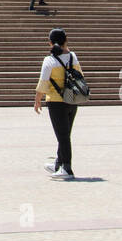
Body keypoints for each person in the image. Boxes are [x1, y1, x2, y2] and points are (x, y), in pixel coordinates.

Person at [33, 27, 80, 179]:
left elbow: (43, 81)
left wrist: (37, 100)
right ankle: (58, 163)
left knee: (63, 136)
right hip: (72, 99)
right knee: (65, 134)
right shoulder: (73, 56)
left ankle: (67, 168)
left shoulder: (50, 60)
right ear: (66, 41)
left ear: (50, 44)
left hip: (56, 101)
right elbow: (80, 75)